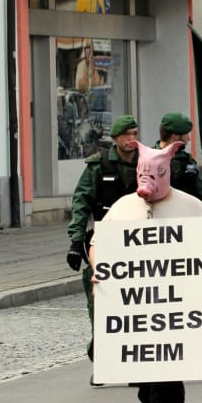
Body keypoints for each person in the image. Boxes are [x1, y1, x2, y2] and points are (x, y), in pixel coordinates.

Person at [89, 140, 202, 403]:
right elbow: (98, 245)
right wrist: (100, 271)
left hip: (173, 311)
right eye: (142, 174)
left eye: (154, 174)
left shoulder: (193, 208)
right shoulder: (123, 208)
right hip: (136, 313)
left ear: (166, 172)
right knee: (144, 385)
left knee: (168, 377)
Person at [67, 115, 140, 373]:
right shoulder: (98, 167)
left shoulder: (148, 163)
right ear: (116, 139)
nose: (133, 139)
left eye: (135, 133)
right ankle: (101, 357)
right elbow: (81, 204)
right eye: (127, 135)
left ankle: (137, 361)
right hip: (106, 244)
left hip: (142, 245)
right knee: (100, 303)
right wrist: (76, 242)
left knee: (138, 305)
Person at [156, 112, 202, 202]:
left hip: (184, 214)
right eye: (186, 134)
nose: (188, 138)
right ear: (175, 135)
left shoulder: (187, 161)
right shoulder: (150, 157)